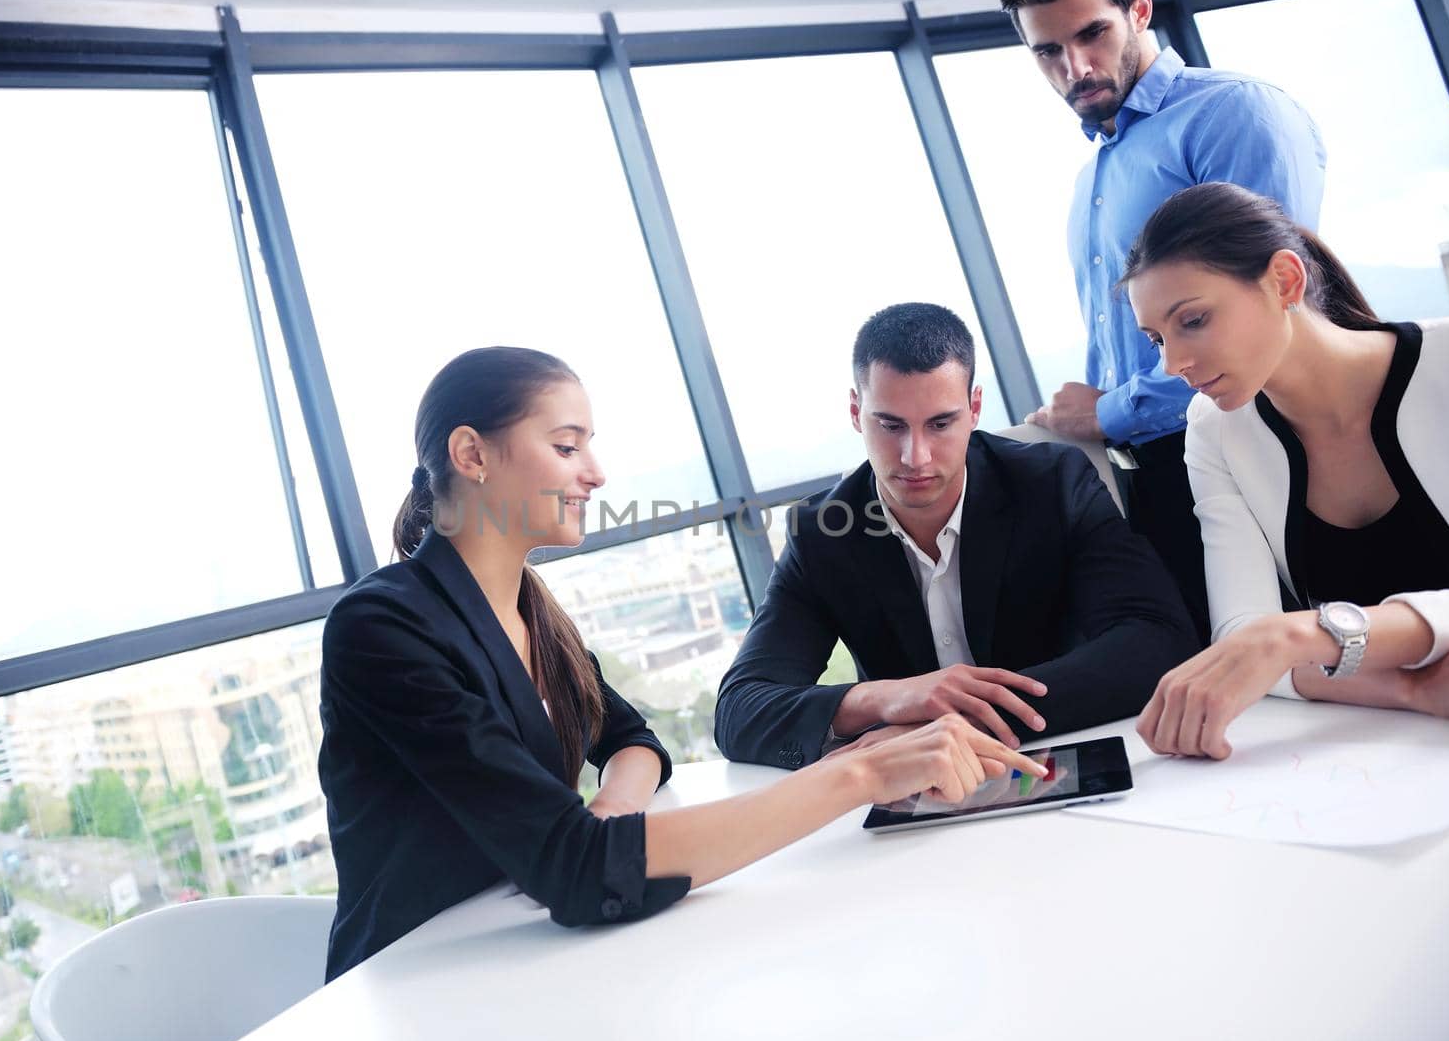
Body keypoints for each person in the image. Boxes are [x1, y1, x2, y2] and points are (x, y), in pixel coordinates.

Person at [317, 346, 1048, 980]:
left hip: (518, 955)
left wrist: (609, 811)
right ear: (472, 455)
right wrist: (857, 773)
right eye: (568, 447)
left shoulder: (533, 611)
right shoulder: (382, 627)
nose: (596, 473)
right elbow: (577, 871)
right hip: (420, 980)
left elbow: (635, 742)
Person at [714, 304, 1197, 770]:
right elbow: (741, 710)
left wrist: (951, 723)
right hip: (923, 797)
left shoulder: (1053, 484)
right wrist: (888, 698)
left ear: (974, 408)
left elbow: (1156, 641)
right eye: (890, 425)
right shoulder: (824, 531)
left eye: (941, 424)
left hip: (1065, 757)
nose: (915, 456)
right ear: (856, 412)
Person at [999, 0, 1327, 642]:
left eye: (1092, 34)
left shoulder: (1235, 114)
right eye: (1048, 51)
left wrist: (1108, 410)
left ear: (1140, 9)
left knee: (1312, 659)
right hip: (1160, 475)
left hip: (1262, 443)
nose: (1076, 69)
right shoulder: (1093, 178)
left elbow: (1268, 322)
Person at [1120, 182, 1449, 759]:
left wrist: (1302, 633)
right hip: (1391, 752)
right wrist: (1411, 688)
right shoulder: (1216, 429)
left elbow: (1272, 643)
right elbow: (1243, 643)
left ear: (1284, 281)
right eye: (1157, 339)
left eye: (1193, 320)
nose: (1172, 363)